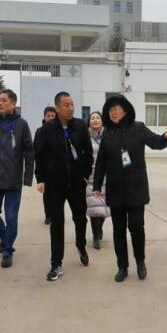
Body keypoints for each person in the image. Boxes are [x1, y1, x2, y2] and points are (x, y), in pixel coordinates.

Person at [93, 95, 167, 282]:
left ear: (125, 110)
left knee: (137, 227)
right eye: (110, 109)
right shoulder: (107, 133)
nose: (113, 112)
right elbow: (101, 162)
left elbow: (155, 143)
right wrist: (97, 185)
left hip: (136, 188)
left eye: (116, 108)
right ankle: (122, 266)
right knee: (118, 231)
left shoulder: (138, 128)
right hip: (115, 189)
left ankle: (140, 262)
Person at [35, 92, 93, 281]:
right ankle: (56, 263)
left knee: (80, 219)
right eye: (66, 105)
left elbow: (88, 153)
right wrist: (40, 179)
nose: (71, 108)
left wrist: (85, 175)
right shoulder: (45, 130)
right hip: (55, 185)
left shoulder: (80, 126)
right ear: (57, 108)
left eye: (72, 104)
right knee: (57, 223)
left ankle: (81, 245)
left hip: (76, 183)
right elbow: (39, 156)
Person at [0, 89, 33, 269]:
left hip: (13, 180)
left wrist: (27, 176)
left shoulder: (22, 124)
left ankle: (8, 250)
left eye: (3, 100)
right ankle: (5, 237)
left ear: (13, 103)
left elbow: (29, 151)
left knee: (11, 217)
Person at [85, 111, 110, 250]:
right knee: (94, 207)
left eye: (98, 118)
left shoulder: (109, 135)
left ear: (102, 121)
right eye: (92, 118)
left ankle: (99, 227)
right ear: (89, 122)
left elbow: (121, 150)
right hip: (91, 177)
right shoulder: (85, 137)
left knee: (104, 207)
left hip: (108, 176)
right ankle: (95, 235)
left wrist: (127, 165)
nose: (95, 120)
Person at [33, 106, 57, 225]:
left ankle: (57, 214)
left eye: (53, 116)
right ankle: (48, 215)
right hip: (46, 169)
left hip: (59, 168)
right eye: (48, 116)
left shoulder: (61, 130)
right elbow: (37, 152)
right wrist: (39, 175)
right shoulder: (40, 131)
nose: (51, 118)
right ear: (44, 117)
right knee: (47, 194)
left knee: (58, 194)